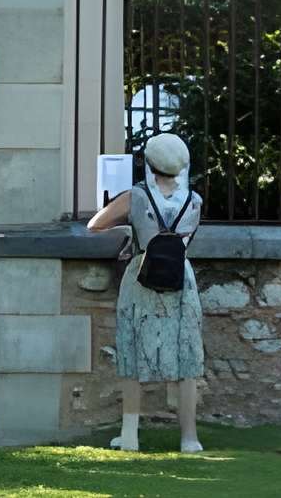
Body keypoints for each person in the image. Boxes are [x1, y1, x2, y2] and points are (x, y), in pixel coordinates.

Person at [87, 131, 206, 453]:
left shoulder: (136, 196)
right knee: (186, 356)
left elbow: (95, 224)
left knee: (133, 352)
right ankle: (189, 439)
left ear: (149, 163)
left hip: (142, 273)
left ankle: (129, 435)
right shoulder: (194, 201)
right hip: (181, 276)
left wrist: (131, 229)